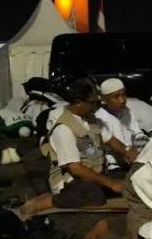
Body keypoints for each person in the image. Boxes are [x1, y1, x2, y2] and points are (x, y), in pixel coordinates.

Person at [20, 78, 128, 216]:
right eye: (93, 102)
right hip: (71, 181)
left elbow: (111, 140)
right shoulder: (64, 129)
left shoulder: (90, 119)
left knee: (129, 178)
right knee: (94, 195)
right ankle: (49, 200)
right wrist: (111, 183)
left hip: (94, 173)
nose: (96, 106)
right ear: (78, 103)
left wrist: (129, 153)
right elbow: (75, 169)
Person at [96, 78, 145, 172]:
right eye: (116, 96)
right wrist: (127, 153)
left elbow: (138, 135)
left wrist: (136, 151)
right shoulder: (99, 117)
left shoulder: (126, 111)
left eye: (123, 94)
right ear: (104, 100)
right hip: (114, 168)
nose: (122, 100)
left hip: (134, 160)